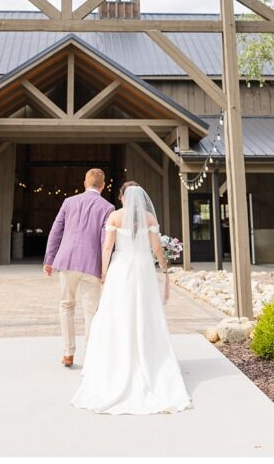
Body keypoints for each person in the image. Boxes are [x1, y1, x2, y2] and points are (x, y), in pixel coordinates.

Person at [72, 184, 192, 414]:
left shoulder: (114, 216)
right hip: (143, 267)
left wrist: (104, 271)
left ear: (121, 197)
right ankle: (147, 356)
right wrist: (163, 263)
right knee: (145, 310)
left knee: (117, 311)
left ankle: (116, 358)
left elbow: (108, 246)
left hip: (121, 267)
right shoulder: (148, 218)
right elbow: (156, 247)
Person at [43, 168, 115, 368]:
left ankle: (68, 353)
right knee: (91, 311)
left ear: (85, 183)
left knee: (66, 305)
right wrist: (104, 269)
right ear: (103, 185)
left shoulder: (69, 202)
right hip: (92, 265)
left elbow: (56, 231)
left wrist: (49, 259)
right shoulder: (108, 207)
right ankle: (91, 355)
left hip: (67, 262)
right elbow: (105, 240)